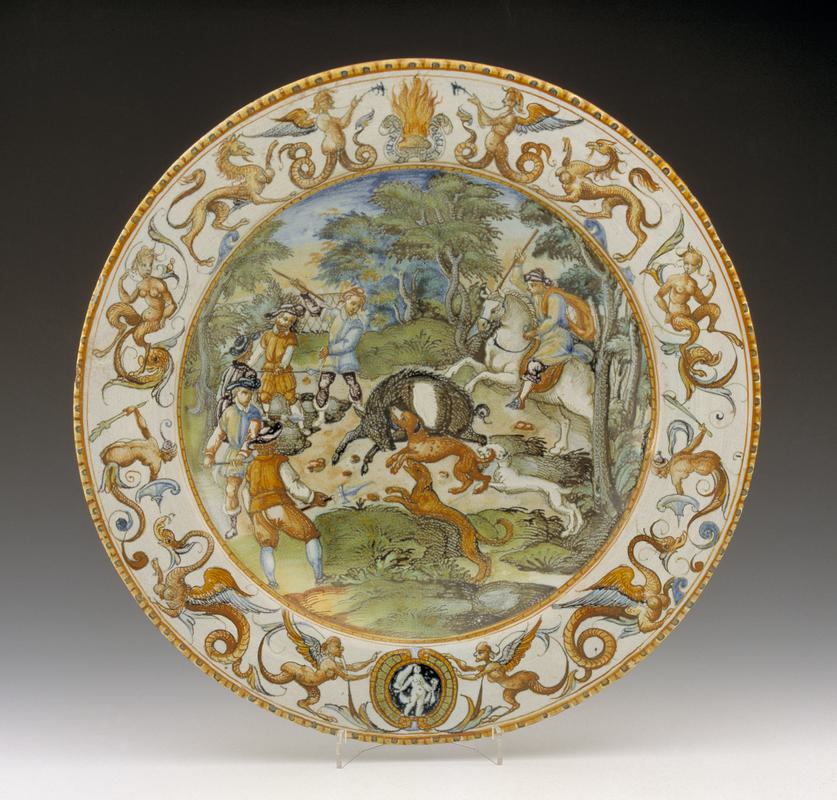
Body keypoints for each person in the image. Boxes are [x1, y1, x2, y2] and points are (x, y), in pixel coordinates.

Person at [244, 421, 329, 588]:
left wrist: (252, 513)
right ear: (272, 444)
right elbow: (293, 486)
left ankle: (271, 582)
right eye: (274, 442)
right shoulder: (279, 461)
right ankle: (319, 577)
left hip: (258, 512)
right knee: (310, 533)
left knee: (266, 545)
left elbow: (245, 493)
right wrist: (312, 497)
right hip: (278, 507)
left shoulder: (252, 466)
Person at [508, 267, 595, 410]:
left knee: (533, 365)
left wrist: (535, 332)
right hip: (545, 338)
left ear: (542, 284)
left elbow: (552, 321)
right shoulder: (536, 296)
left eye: (533, 285)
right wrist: (518, 264)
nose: (529, 288)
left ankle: (520, 400)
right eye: (529, 286)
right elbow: (516, 281)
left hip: (558, 339)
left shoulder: (554, 298)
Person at [203, 375, 263, 539]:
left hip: (252, 454)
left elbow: (252, 436)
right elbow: (218, 434)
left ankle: (259, 524)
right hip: (233, 455)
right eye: (244, 392)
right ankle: (233, 526)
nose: (247, 396)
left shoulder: (254, 413)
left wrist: (243, 453)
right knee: (231, 490)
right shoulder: (229, 412)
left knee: (254, 490)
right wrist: (210, 453)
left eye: (250, 393)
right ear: (236, 393)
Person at [249, 302, 310, 431]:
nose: (287, 323)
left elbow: (288, 355)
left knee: (291, 397)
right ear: (277, 317)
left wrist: (282, 366)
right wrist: (248, 365)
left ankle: (301, 426)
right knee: (264, 396)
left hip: (283, 372)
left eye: (291, 321)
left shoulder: (290, 337)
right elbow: (258, 352)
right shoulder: (267, 335)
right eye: (285, 319)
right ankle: (265, 421)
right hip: (269, 372)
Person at [303, 286, 367, 407]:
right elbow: (316, 310)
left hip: (346, 356)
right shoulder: (335, 314)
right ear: (346, 300)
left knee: (351, 381)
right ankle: (322, 397)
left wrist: (330, 350)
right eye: (353, 303)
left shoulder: (357, 324)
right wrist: (305, 295)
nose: (355, 308)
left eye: (358, 306)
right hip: (331, 357)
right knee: (324, 382)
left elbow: (348, 344)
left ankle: (356, 400)